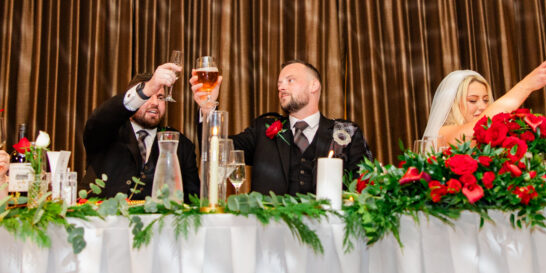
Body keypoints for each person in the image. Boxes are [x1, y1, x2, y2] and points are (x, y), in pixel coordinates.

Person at [194, 59, 372, 196]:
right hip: (270, 236)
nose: (282, 87)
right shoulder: (262, 130)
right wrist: (207, 108)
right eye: (279, 84)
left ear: (314, 85)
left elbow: (366, 186)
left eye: (290, 80)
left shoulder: (346, 133)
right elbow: (215, 149)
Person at [83, 63, 200, 199]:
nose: (155, 103)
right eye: (149, 96)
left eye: (160, 97)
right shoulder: (108, 131)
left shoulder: (181, 144)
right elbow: (98, 120)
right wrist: (145, 90)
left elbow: (193, 199)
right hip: (106, 219)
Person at [424, 61, 546, 147]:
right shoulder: (441, 133)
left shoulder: (491, 136)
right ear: (453, 103)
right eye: (473, 100)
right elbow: (469, 132)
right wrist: (526, 86)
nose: (483, 106)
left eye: (486, 100)